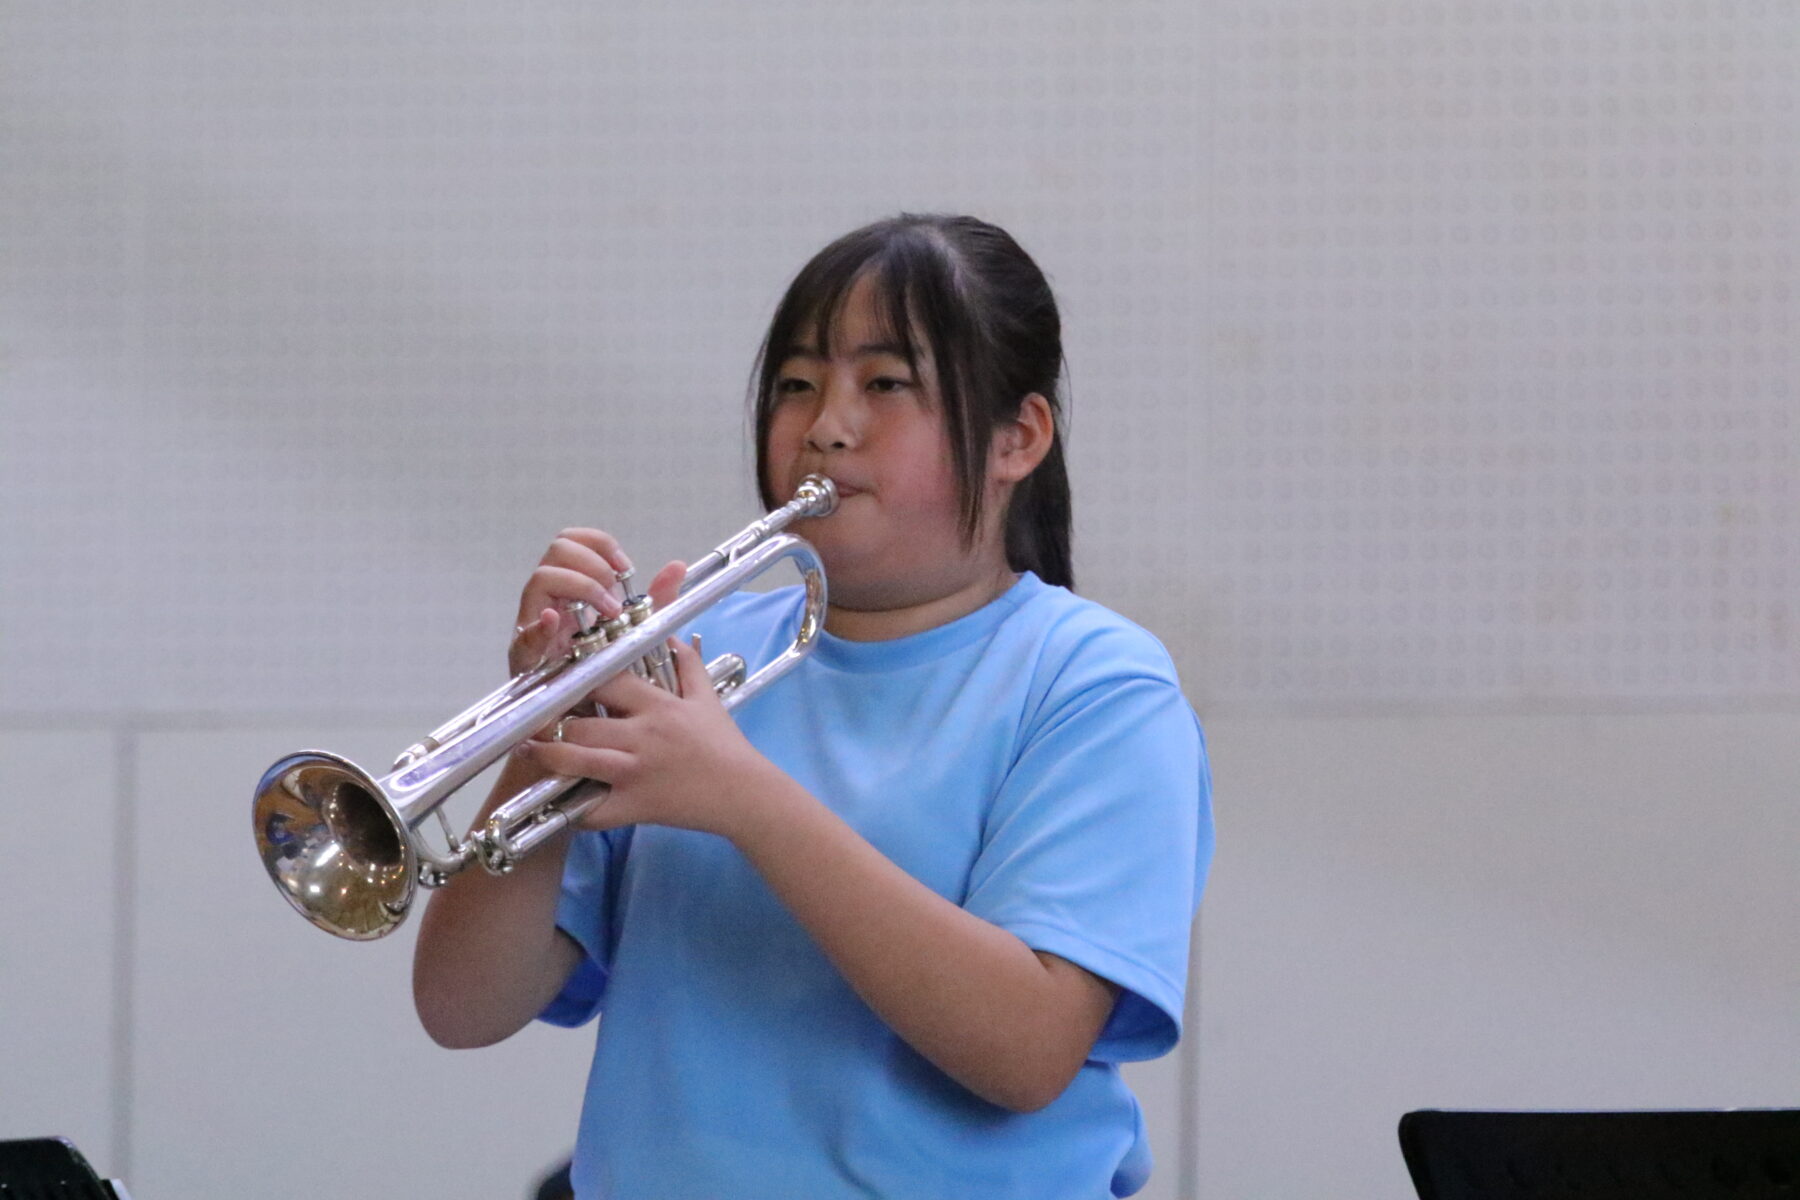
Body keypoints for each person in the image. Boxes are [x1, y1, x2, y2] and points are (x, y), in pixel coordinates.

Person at [412, 214, 1214, 1199]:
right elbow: (463, 1006)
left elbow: (1029, 1051)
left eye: (886, 385)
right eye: (797, 385)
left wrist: (743, 798)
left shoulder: (1096, 684)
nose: (825, 427)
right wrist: (542, 731)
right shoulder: (697, 657)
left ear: (1018, 439)